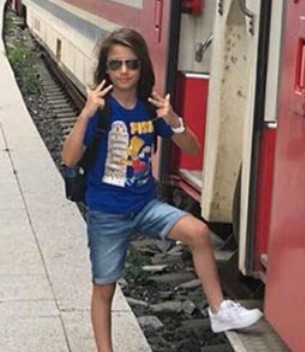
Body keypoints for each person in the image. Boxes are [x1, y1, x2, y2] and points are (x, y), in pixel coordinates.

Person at [61, 28, 262, 352]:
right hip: (107, 213)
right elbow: (69, 158)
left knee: (198, 232)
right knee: (105, 288)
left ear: (142, 67)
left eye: (132, 64)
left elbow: (192, 147)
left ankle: (219, 310)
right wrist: (86, 113)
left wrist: (174, 120)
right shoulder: (101, 109)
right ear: (106, 69)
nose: (124, 71)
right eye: (115, 64)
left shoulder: (150, 108)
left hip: (145, 206)